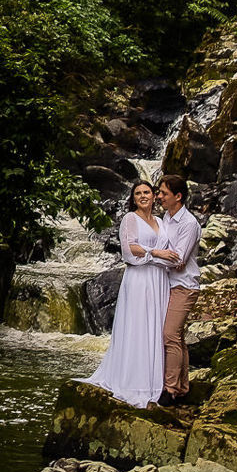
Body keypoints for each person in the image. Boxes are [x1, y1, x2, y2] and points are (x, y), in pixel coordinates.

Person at [77, 180, 178, 408]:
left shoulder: (161, 222)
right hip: (140, 279)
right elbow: (129, 247)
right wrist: (156, 252)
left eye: (147, 192)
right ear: (133, 198)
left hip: (159, 280)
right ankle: (135, 383)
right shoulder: (130, 219)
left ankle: (155, 382)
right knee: (139, 327)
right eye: (138, 193)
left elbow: (170, 249)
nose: (143, 196)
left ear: (154, 196)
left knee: (155, 327)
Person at [156, 173, 202, 404]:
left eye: (164, 193)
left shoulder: (189, 223)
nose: (159, 196)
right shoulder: (166, 217)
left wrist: (151, 256)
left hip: (184, 285)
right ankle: (182, 387)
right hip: (168, 284)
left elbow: (179, 259)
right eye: (160, 192)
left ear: (178, 196)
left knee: (169, 334)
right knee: (177, 337)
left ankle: (170, 388)